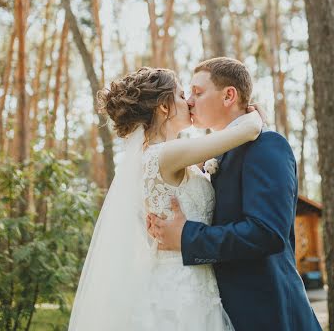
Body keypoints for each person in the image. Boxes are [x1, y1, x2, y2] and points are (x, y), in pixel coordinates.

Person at [68, 66, 262, 331]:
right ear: (163, 107)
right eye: (182, 96)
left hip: (179, 278)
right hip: (182, 289)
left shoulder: (152, 157)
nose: (189, 102)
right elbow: (246, 131)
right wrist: (254, 116)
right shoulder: (164, 155)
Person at [148, 57, 322, 331]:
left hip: (269, 312)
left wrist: (187, 236)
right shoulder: (213, 155)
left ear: (229, 95)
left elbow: (266, 232)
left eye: (198, 91)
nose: (190, 101)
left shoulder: (266, 146)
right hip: (216, 311)